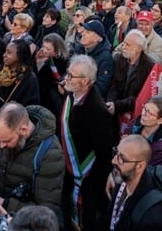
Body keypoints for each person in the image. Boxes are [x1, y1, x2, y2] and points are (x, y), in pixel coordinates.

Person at [0, 103, 64, 220]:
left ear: (24, 130)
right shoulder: (6, 134)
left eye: (7, 141)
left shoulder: (50, 155)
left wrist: (3, 203)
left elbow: (46, 212)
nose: (1, 146)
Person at [58, 55, 113, 231]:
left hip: (87, 180)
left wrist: (87, 179)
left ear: (85, 82)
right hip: (69, 171)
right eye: (68, 73)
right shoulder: (71, 93)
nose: (66, 78)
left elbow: (103, 153)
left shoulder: (98, 110)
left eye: (71, 75)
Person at [107, 134, 162, 231]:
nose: (113, 161)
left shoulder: (152, 216)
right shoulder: (124, 177)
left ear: (140, 166)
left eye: (122, 158)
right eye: (116, 153)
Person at [107, 30, 156, 134]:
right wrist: (110, 103)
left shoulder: (149, 66)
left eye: (127, 44)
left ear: (138, 48)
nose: (123, 46)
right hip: (115, 110)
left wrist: (117, 105)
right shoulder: (119, 59)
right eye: (123, 43)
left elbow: (140, 98)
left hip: (134, 114)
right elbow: (113, 85)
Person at [0, 40, 40, 121]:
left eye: (8, 53)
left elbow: (30, 109)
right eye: (5, 52)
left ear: (19, 56)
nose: (4, 55)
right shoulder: (1, 70)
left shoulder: (30, 79)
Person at [130, 96, 162, 166]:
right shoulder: (134, 124)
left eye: (149, 113)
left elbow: (148, 171)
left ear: (160, 120)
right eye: (144, 109)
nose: (143, 114)